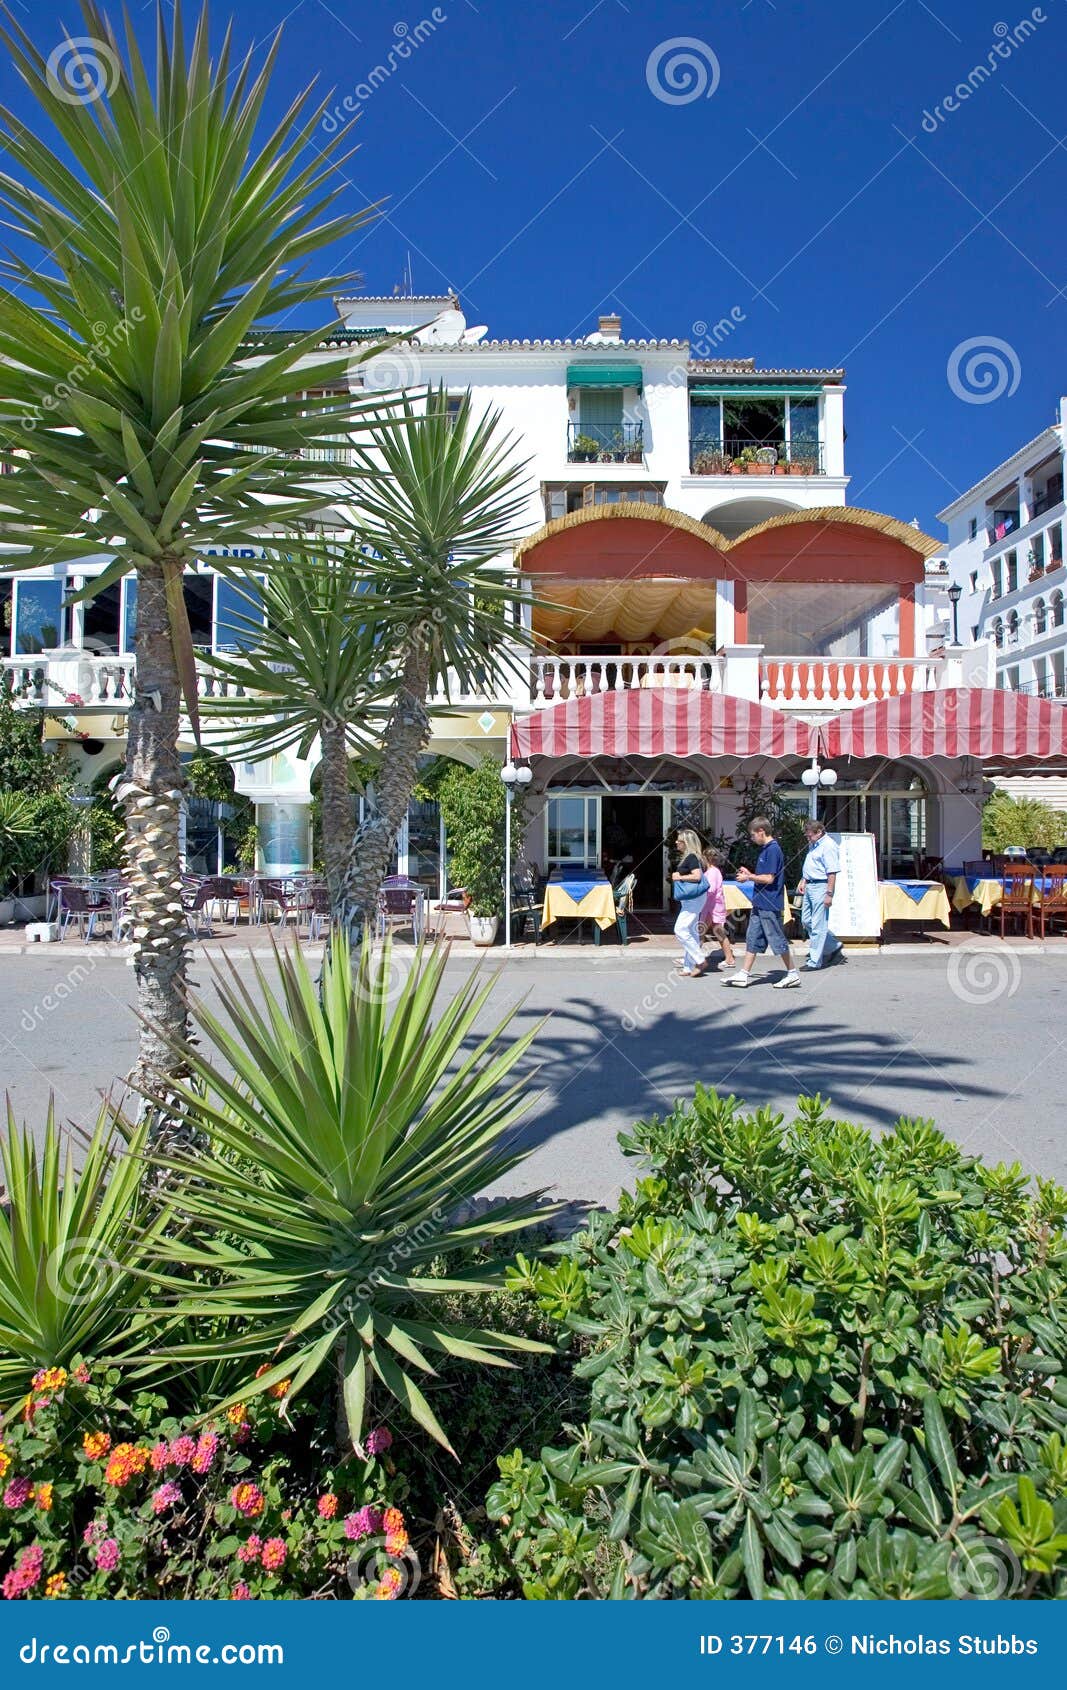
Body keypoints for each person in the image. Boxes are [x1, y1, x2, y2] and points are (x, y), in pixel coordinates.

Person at [723, 817, 801, 989]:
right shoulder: (767, 850)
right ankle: (743, 974)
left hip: (769, 902)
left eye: (752, 835)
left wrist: (748, 877)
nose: (752, 838)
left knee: (776, 938)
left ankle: (792, 973)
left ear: (761, 832)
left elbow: (768, 878)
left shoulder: (773, 850)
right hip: (760, 902)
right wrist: (750, 873)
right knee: (753, 938)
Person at [798, 819, 844, 971]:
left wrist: (829, 894)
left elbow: (831, 872)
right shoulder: (815, 844)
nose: (808, 838)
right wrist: (804, 880)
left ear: (819, 832)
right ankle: (832, 945)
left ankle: (815, 961)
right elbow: (812, 864)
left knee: (818, 925)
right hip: (810, 884)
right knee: (806, 921)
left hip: (821, 885)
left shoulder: (829, 846)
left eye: (809, 836)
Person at [671, 828, 708, 977]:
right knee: (691, 932)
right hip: (693, 898)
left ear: (686, 842)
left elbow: (697, 876)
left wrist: (679, 877)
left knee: (680, 929)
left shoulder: (692, 857)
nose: (676, 842)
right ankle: (688, 966)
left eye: (679, 840)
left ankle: (700, 960)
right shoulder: (693, 857)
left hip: (694, 899)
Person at [697, 846, 735, 974]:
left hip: (711, 907)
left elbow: (711, 889)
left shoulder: (712, 872)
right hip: (714, 906)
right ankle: (729, 958)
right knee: (718, 932)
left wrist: (698, 892)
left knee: (700, 932)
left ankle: (692, 958)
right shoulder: (715, 871)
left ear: (706, 858)